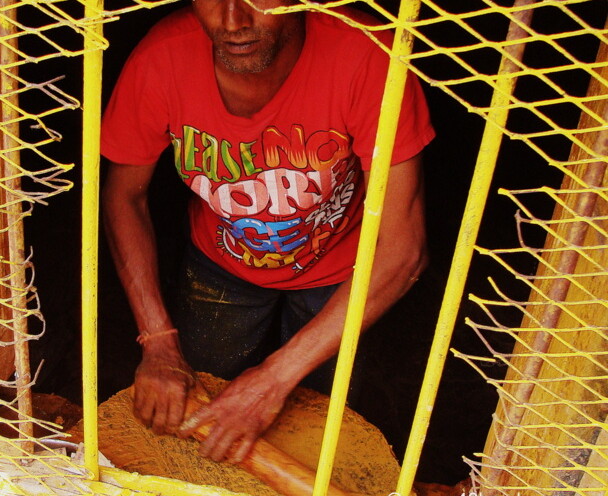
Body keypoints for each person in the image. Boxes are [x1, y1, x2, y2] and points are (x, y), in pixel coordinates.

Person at [101, 0, 435, 465]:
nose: (234, 20)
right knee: (196, 419)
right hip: (219, 262)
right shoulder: (162, 58)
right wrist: (157, 341)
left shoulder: (366, 53)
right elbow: (124, 196)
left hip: (346, 272)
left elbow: (405, 249)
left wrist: (275, 379)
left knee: (316, 433)